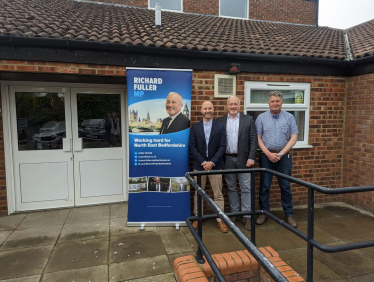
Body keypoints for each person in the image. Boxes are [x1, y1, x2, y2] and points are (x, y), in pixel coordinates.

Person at [255, 91, 298, 228]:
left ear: (281, 102)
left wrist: (280, 154)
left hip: (284, 157)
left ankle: (289, 214)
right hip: (266, 156)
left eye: (277, 101)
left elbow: (294, 137)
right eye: (272, 101)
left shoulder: (289, 117)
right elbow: (258, 138)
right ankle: (263, 212)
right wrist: (268, 153)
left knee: (285, 186)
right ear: (268, 103)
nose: (275, 103)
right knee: (265, 186)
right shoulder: (261, 118)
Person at [218, 95, 257, 231]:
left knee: (246, 187)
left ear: (239, 105)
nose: (233, 106)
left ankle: (246, 216)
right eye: (231, 104)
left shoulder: (249, 120)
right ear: (227, 106)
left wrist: (252, 157)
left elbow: (253, 140)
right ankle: (235, 213)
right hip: (227, 159)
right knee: (231, 187)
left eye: (236, 104)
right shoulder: (221, 121)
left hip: (244, 159)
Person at [190, 101, 228, 233]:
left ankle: (220, 219)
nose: (208, 110)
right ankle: (197, 218)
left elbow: (223, 146)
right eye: (205, 108)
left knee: (218, 194)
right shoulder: (195, 127)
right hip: (199, 166)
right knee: (198, 194)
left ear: (213, 110)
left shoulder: (220, 126)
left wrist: (212, 162)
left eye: (210, 108)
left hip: (216, 166)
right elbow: (192, 147)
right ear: (201, 110)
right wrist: (203, 162)